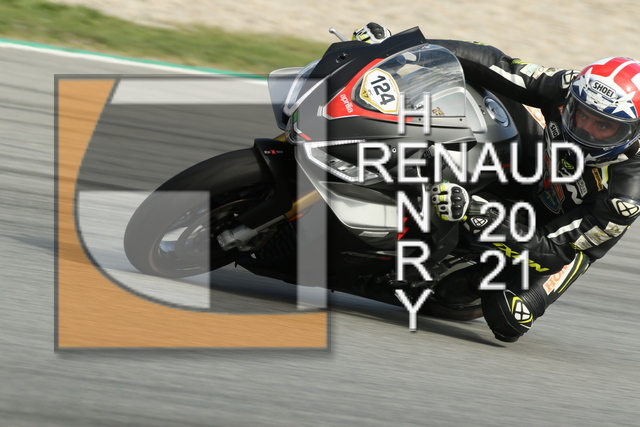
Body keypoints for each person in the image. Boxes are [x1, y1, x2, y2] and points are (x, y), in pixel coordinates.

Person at [352, 23, 640, 342]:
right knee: (484, 93)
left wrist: (481, 215)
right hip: (539, 168)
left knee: (506, 317)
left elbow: (553, 251)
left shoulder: (625, 196)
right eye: (581, 114)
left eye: (603, 126)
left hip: (559, 239)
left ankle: (477, 269)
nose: (584, 129)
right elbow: (498, 65)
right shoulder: (572, 86)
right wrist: (403, 49)